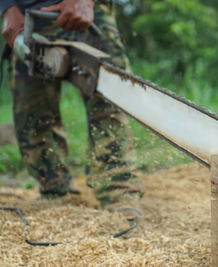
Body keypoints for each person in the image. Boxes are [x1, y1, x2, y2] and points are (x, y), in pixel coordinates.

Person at [1, 0, 144, 215]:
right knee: (31, 115)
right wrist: (6, 8)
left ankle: (119, 191)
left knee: (110, 95)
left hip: (86, 10)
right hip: (27, 15)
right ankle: (55, 190)